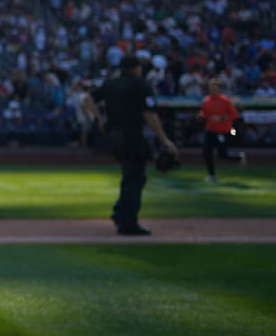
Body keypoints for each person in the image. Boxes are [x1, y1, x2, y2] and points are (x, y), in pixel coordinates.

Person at [91, 55, 179, 236]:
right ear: (136, 68)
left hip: (114, 135)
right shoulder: (141, 85)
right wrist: (164, 139)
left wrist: (100, 119)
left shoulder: (110, 83)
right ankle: (128, 222)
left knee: (129, 174)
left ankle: (120, 211)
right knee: (136, 177)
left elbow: (87, 99)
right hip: (132, 134)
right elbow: (150, 115)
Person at [197, 77, 246, 183]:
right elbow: (204, 112)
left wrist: (221, 118)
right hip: (210, 129)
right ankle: (211, 175)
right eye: (210, 88)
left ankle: (238, 158)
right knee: (206, 152)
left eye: (214, 88)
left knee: (222, 155)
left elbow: (234, 115)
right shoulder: (206, 100)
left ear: (219, 89)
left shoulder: (225, 100)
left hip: (222, 131)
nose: (212, 90)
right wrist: (201, 115)